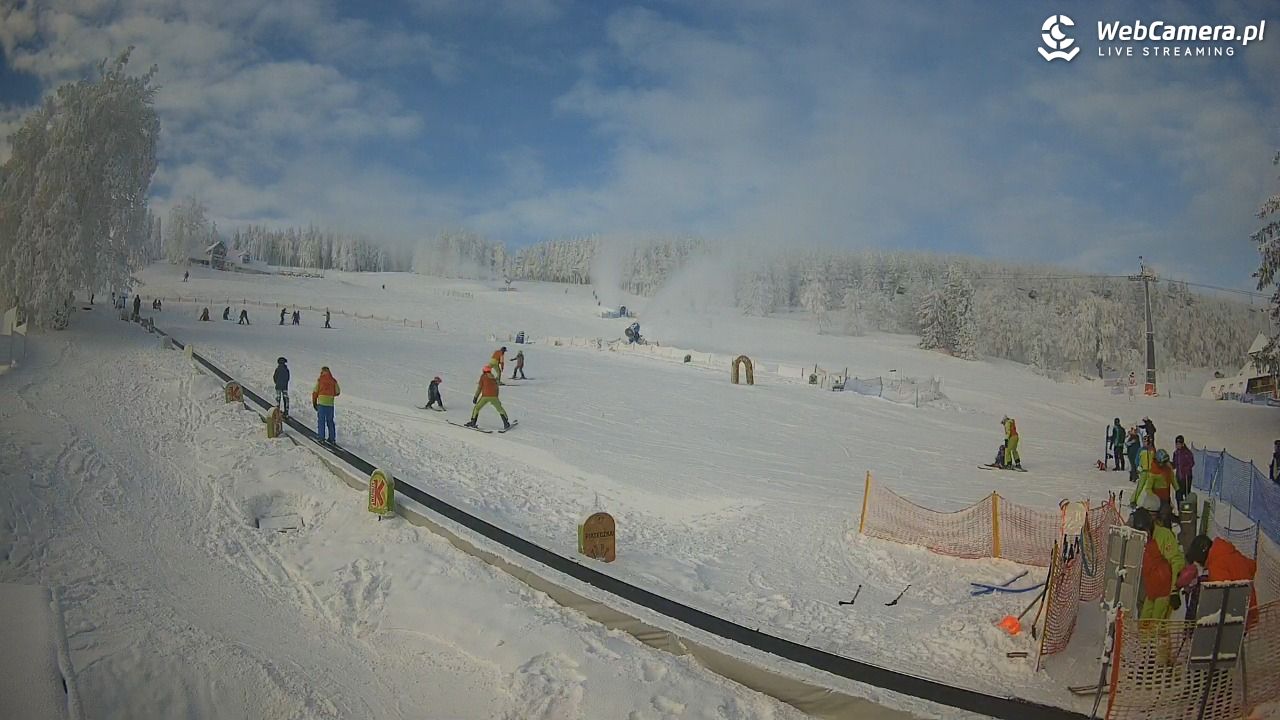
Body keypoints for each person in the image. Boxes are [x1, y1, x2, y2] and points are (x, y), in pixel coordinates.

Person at [1186, 534, 1259, 627]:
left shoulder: (1216, 566)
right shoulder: (1229, 552)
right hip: (1250, 607)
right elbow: (1251, 566)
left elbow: (1220, 597)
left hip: (1235, 617)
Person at [1130, 508, 1185, 621]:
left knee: (1156, 628)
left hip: (1165, 591)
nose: (1144, 535)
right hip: (1151, 591)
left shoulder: (1164, 536)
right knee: (1144, 626)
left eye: (1145, 531)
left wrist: (1174, 591)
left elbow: (1176, 561)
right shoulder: (1138, 539)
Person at [466, 365, 510, 430]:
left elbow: (479, 388)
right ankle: (506, 422)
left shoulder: (483, 377)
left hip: (485, 396)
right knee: (500, 408)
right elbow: (496, 388)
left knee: (477, 408)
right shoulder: (493, 378)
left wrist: (475, 397)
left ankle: (473, 422)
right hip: (494, 396)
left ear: (484, 371)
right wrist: (496, 397)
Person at [1134, 449, 1177, 514]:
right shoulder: (1154, 472)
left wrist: (1177, 488)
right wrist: (1154, 498)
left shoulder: (1168, 469)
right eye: (1163, 462)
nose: (1164, 464)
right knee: (1163, 513)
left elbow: (1172, 478)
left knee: (1167, 512)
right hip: (1157, 499)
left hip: (1166, 496)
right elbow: (1148, 488)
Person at [312, 366, 341, 443]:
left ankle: (321, 438)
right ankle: (332, 438)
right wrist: (331, 394)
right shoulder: (333, 381)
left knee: (321, 421)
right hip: (330, 404)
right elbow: (338, 392)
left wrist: (314, 402)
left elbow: (315, 392)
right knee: (330, 421)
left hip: (321, 403)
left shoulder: (320, 380)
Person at [1172, 436, 1194, 505]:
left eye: (1179, 443)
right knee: (1178, 495)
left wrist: (1186, 468)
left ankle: (1187, 509)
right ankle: (1180, 510)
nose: (1178, 445)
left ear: (1183, 444)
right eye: (1177, 444)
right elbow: (1175, 464)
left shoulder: (1187, 453)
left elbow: (1192, 463)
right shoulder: (1176, 453)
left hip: (1186, 477)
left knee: (1186, 494)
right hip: (1179, 477)